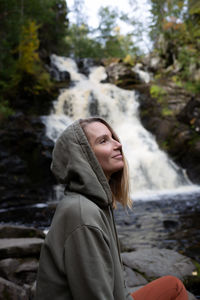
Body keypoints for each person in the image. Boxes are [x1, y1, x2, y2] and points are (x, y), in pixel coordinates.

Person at [35, 117, 188, 300]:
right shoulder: (82, 213)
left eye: (113, 137)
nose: (118, 144)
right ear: (83, 157)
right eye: (103, 141)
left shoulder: (96, 204)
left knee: (172, 286)